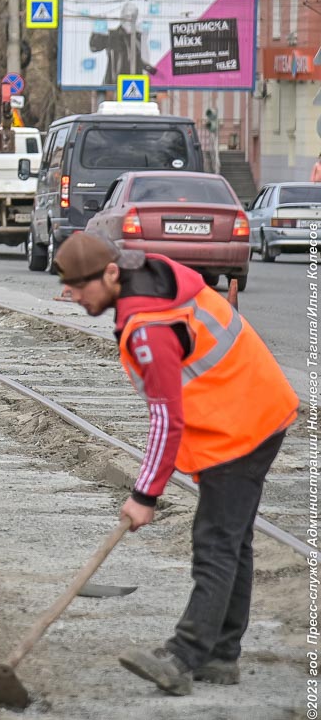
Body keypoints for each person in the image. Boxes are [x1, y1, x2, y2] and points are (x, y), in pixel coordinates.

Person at [52, 232, 298, 696]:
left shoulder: (150, 326)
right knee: (233, 540)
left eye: (79, 286)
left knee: (216, 544)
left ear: (111, 273)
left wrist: (145, 494)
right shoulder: (148, 282)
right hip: (250, 408)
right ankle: (221, 656)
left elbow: (168, 418)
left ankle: (184, 657)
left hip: (240, 425)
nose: (72, 294)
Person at [89, 1, 158, 86]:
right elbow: (94, 47)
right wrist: (97, 31)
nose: (129, 19)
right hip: (114, 84)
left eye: (133, 16)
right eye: (127, 15)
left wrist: (150, 69)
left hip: (135, 84)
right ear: (121, 16)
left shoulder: (137, 37)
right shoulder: (112, 35)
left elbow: (136, 59)